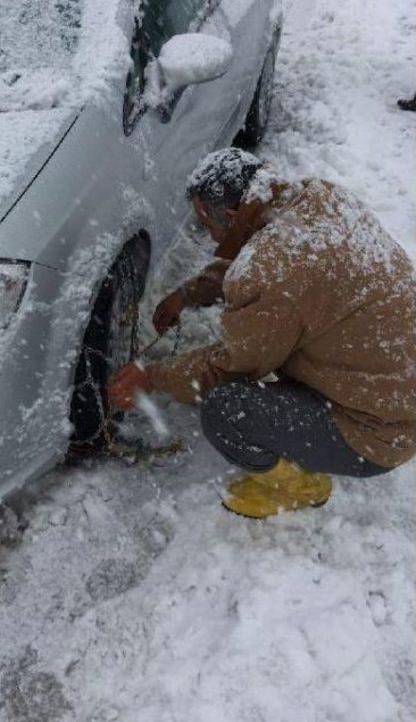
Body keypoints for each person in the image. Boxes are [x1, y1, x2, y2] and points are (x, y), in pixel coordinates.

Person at [108, 148, 416, 518]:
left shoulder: (272, 269)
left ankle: (301, 486)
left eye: (208, 224)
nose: (206, 234)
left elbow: (228, 366)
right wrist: (190, 292)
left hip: (379, 431)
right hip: (394, 386)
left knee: (227, 412)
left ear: (235, 216)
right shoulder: (317, 197)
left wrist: (151, 376)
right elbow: (279, 269)